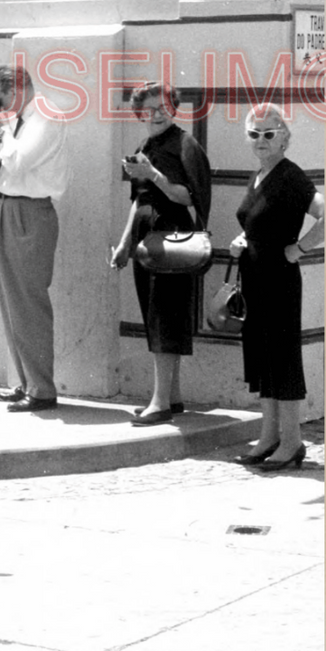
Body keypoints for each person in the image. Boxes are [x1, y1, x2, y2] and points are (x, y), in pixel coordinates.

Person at [227, 103, 326, 472]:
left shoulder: (290, 176)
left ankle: (292, 441)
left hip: (279, 279)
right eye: (254, 134)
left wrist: (298, 249)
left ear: (285, 138)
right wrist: (243, 238)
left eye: (269, 134)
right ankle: (269, 437)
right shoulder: (259, 176)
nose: (261, 141)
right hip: (254, 276)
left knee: (282, 358)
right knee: (263, 358)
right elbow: (260, 221)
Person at [109, 85, 212, 426]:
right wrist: (124, 244)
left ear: (174, 109)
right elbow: (138, 201)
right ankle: (173, 396)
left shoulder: (185, 144)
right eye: (148, 108)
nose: (155, 113)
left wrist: (153, 174)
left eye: (162, 106)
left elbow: (188, 197)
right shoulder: (145, 146)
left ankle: (160, 401)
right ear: (139, 113)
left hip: (171, 236)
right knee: (157, 315)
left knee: (165, 316)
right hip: (146, 240)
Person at [0, 63, 69, 413]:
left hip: (29, 211)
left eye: (0, 97)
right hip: (0, 206)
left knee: (29, 301)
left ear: (18, 90)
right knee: (9, 300)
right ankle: (27, 380)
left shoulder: (46, 115)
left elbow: (17, 162)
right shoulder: (12, 116)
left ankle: (43, 388)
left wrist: (0, 122)